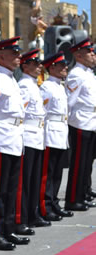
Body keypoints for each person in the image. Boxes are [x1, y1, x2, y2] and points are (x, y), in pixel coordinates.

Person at [0, 37, 30, 251]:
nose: (18, 56)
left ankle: (7, 228)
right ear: (1, 56)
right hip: (2, 139)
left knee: (12, 188)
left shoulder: (11, 79)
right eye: (14, 53)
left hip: (15, 138)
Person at [16, 49, 51, 230]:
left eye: (39, 64)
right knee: (26, 181)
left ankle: (33, 214)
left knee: (35, 179)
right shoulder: (23, 85)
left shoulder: (33, 85)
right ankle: (23, 218)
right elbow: (21, 112)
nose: (39, 67)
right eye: (35, 64)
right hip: (28, 136)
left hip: (37, 136)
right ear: (25, 66)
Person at [38, 52, 73, 221]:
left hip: (61, 131)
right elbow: (42, 113)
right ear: (52, 67)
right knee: (48, 173)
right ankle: (45, 205)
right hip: (50, 132)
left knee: (57, 172)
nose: (65, 68)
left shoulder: (60, 86)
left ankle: (54, 202)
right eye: (61, 65)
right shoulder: (46, 87)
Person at [64, 38, 96, 211]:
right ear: (78, 55)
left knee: (86, 162)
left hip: (91, 121)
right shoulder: (76, 74)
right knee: (78, 163)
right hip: (80, 121)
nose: (93, 54)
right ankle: (73, 199)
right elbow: (69, 101)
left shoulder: (88, 73)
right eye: (89, 52)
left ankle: (83, 193)